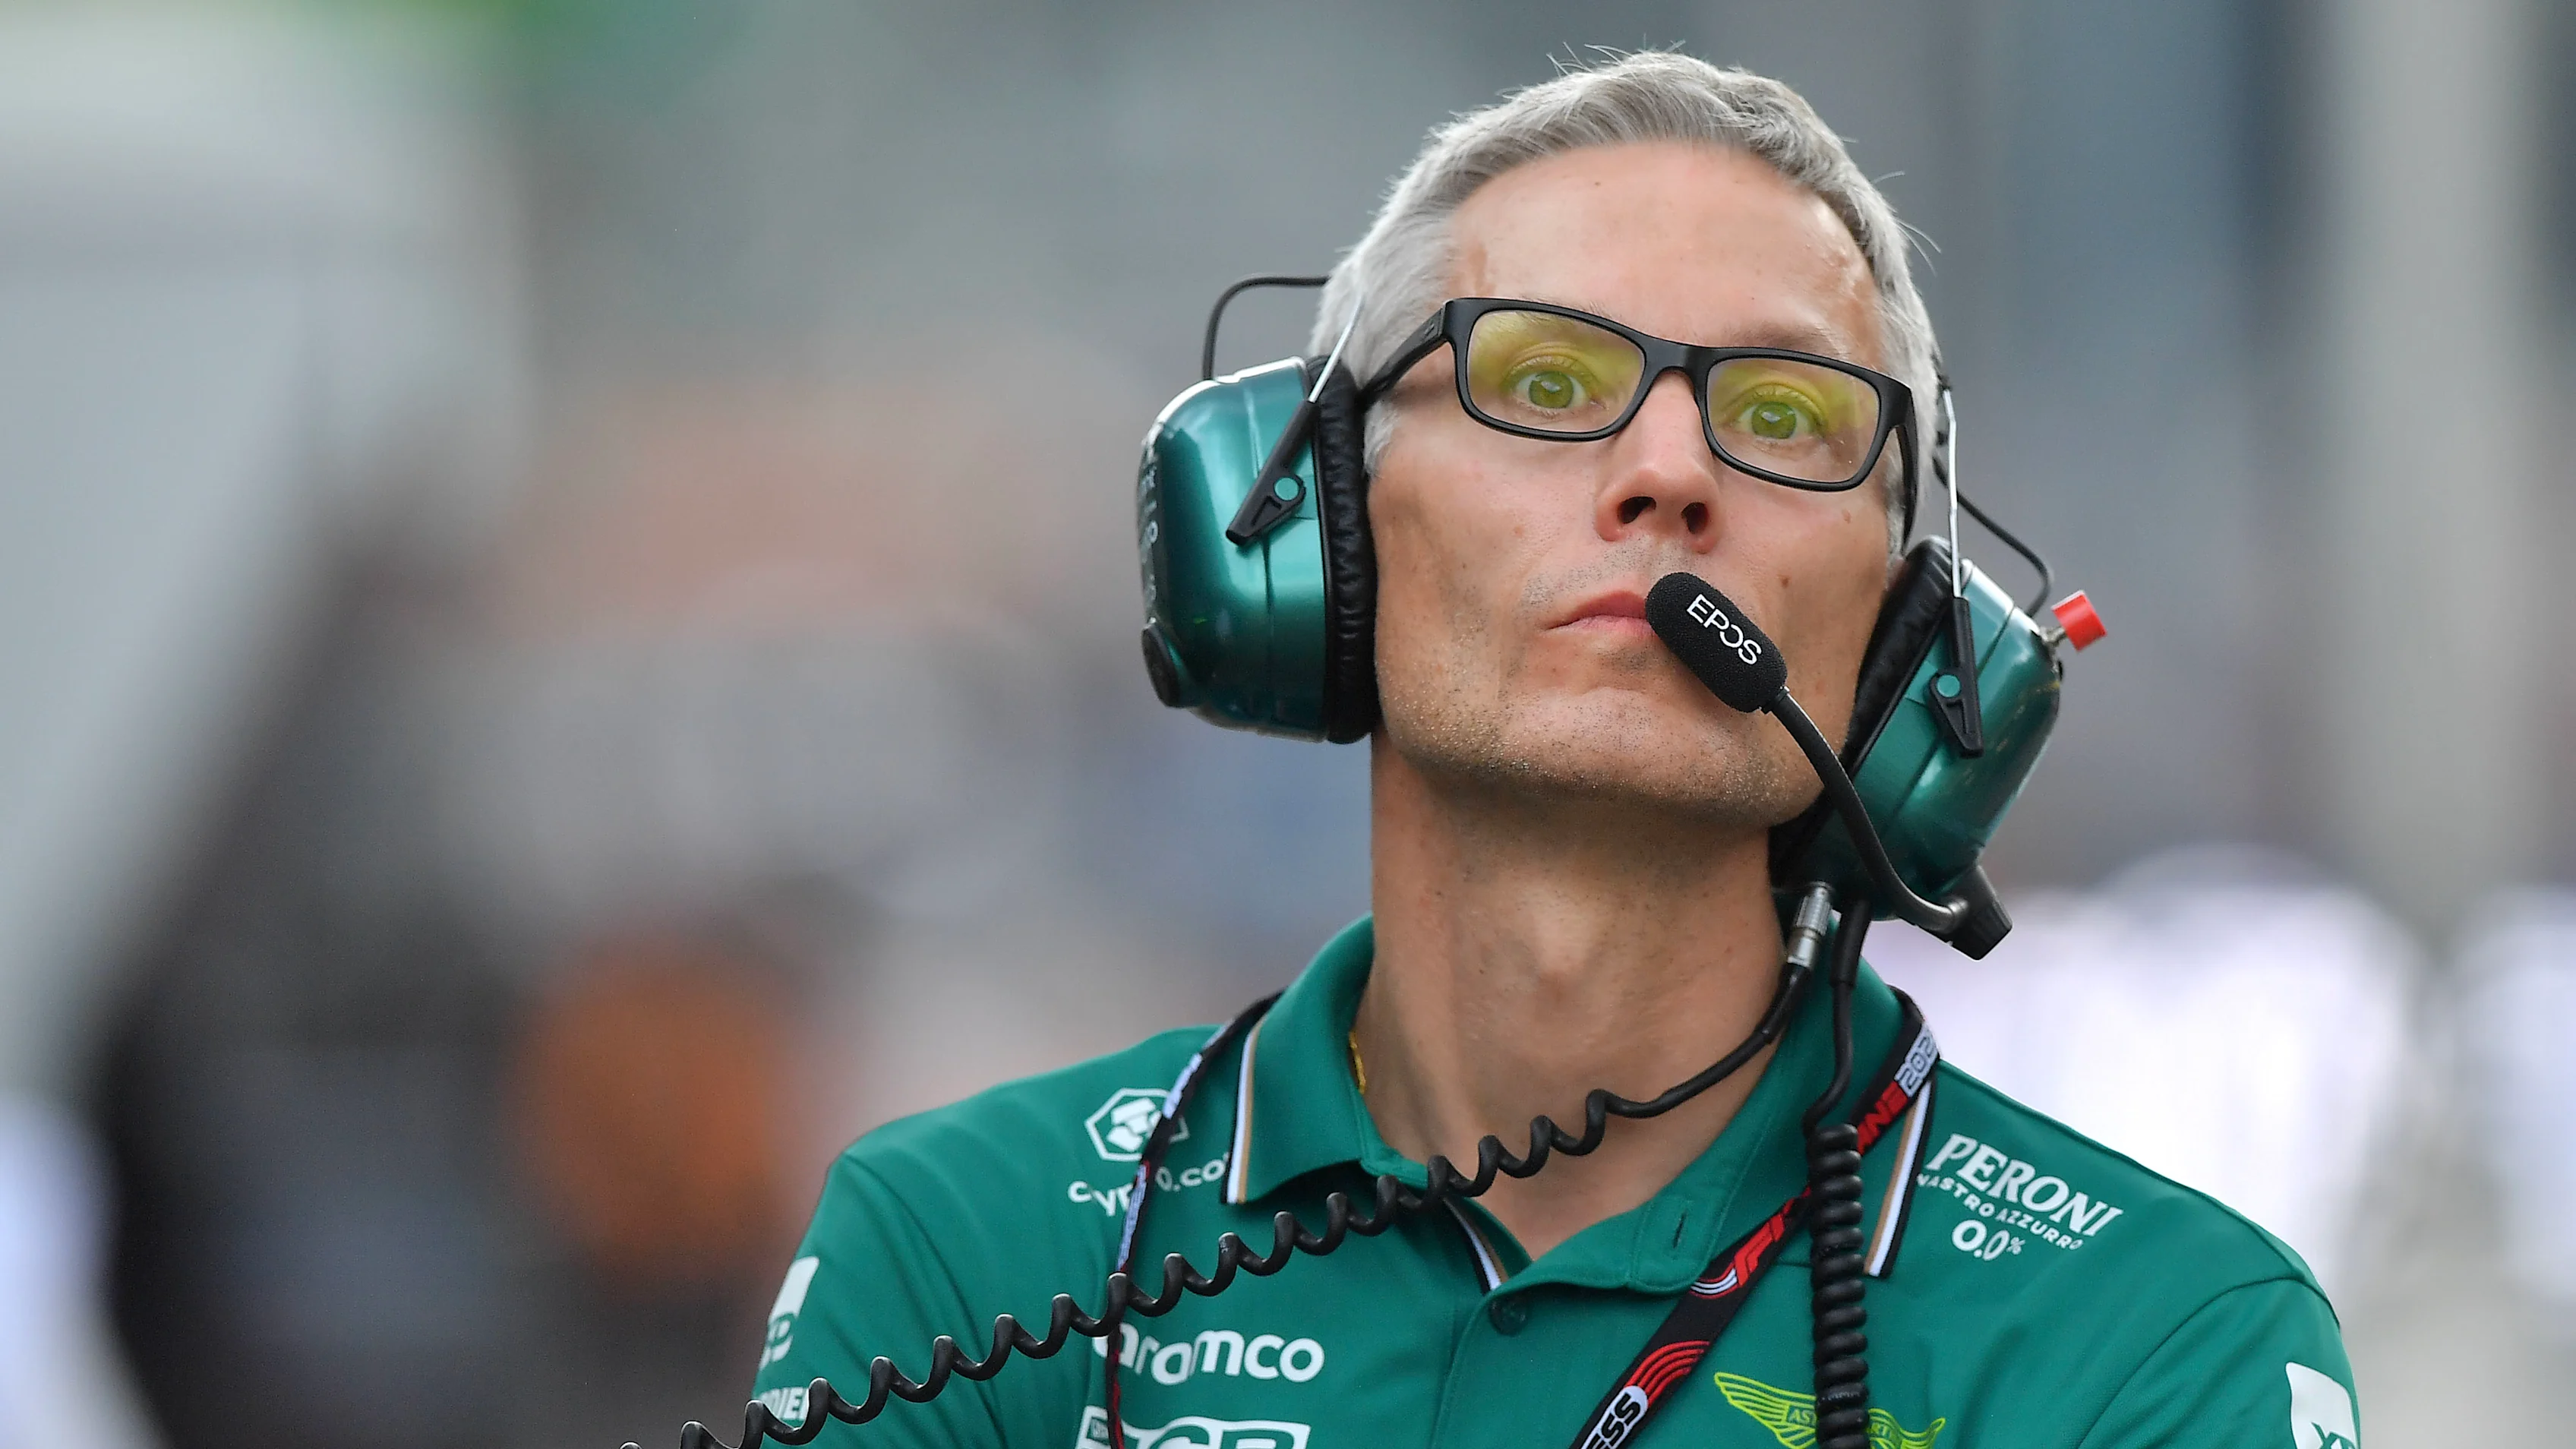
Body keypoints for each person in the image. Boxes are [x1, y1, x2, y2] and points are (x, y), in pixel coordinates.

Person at [750, 52, 2357, 1449]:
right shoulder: (970, 1245)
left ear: (1907, 641)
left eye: (1786, 415)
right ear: (1308, 531)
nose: (1667, 472)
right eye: (1545, 379)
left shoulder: (2158, 1338)